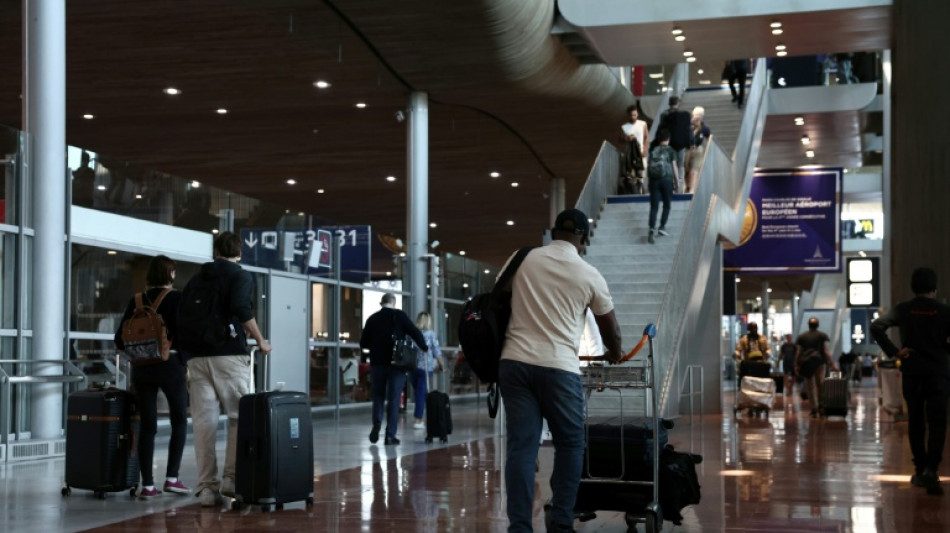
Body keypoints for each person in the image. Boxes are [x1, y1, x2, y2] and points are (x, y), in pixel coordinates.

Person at [498, 208, 623, 533]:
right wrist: (614, 353)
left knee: (522, 447)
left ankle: (520, 527)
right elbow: (610, 327)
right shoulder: (588, 273)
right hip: (559, 368)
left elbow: (499, 296)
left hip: (514, 362)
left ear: (554, 232)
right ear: (583, 237)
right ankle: (562, 522)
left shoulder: (523, 258)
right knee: (570, 443)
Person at [183, 232, 272, 507]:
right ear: (239, 252)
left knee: (204, 423)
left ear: (215, 250)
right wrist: (260, 340)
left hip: (196, 358)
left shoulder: (196, 279)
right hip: (229, 356)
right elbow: (241, 309)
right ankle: (231, 480)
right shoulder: (239, 275)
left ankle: (207, 489)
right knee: (238, 417)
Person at [113, 255, 191, 500]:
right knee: (179, 420)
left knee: (148, 425)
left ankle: (147, 485)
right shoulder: (177, 299)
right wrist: (184, 359)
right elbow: (185, 333)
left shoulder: (136, 301)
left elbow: (119, 338)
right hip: (170, 365)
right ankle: (172, 478)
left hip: (142, 368)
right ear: (170, 275)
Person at [870, 267, 950, 495]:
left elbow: (876, 327)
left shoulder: (904, 309)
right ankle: (932, 471)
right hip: (939, 373)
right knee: (937, 423)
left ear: (913, 287)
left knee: (915, 421)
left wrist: (895, 352)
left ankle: (919, 470)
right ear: (934, 288)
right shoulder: (944, 311)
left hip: (912, 372)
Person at [359, 293, 428, 445]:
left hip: (377, 364)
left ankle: (377, 423)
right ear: (394, 303)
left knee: (377, 395)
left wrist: (376, 345)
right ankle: (390, 435)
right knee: (394, 398)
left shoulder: (372, 318)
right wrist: (423, 346)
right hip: (397, 365)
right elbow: (415, 332)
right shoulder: (399, 316)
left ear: (381, 303)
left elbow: (363, 343)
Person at [795, 317, 838, 418]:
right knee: (820, 385)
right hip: (819, 362)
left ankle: (813, 408)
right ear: (817, 325)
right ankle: (821, 406)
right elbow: (826, 350)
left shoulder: (802, 336)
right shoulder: (822, 335)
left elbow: (799, 352)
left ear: (808, 325)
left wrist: (796, 364)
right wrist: (833, 363)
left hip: (806, 363)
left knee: (810, 386)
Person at [409, 311, 443, 429]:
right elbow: (437, 351)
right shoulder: (431, 334)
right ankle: (418, 420)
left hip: (412, 368)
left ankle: (419, 417)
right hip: (425, 369)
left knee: (418, 394)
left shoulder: (412, 334)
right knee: (421, 395)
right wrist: (441, 366)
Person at [646, 129, 678, 244]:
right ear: (668, 139)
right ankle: (662, 227)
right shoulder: (670, 151)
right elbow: (674, 167)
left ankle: (651, 229)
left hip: (654, 181)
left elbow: (649, 166)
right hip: (666, 180)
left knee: (654, 207)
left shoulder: (653, 150)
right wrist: (677, 182)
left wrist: (648, 183)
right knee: (667, 205)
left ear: (659, 139)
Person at [657, 96, 691, 190]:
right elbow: (688, 130)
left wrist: (658, 142)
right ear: (678, 103)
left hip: (668, 143)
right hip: (680, 144)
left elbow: (661, 129)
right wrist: (690, 142)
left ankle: (671, 184)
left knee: (669, 163)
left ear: (669, 103)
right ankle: (680, 185)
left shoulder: (664, 114)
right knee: (680, 164)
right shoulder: (684, 115)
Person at [620, 105, 649, 193]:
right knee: (631, 176)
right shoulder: (624, 127)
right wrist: (626, 138)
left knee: (641, 175)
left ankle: (641, 191)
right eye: (631, 115)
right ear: (628, 115)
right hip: (630, 156)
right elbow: (620, 139)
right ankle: (635, 192)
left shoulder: (643, 124)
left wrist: (645, 149)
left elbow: (646, 137)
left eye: (634, 115)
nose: (633, 117)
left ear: (637, 114)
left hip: (640, 154)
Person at [685, 106, 711, 194]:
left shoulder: (705, 128)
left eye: (699, 115)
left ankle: (692, 190)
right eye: (695, 115)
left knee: (694, 170)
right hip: (687, 149)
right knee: (686, 170)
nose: (697, 117)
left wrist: (707, 150)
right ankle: (687, 187)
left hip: (698, 149)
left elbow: (709, 139)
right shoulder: (688, 125)